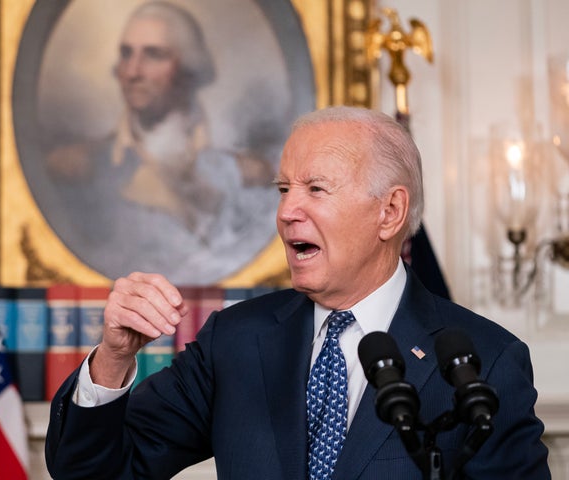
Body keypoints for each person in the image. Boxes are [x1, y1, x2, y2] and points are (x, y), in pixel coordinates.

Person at [45, 106, 550, 479]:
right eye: (284, 189)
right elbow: (92, 475)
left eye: (316, 189)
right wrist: (112, 359)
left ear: (390, 212)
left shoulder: (485, 362)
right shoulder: (235, 341)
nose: (287, 212)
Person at [43, 1, 279, 285]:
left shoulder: (246, 175)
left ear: (188, 69)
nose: (132, 71)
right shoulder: (77, 168)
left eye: (153, 55)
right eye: (126, 54)